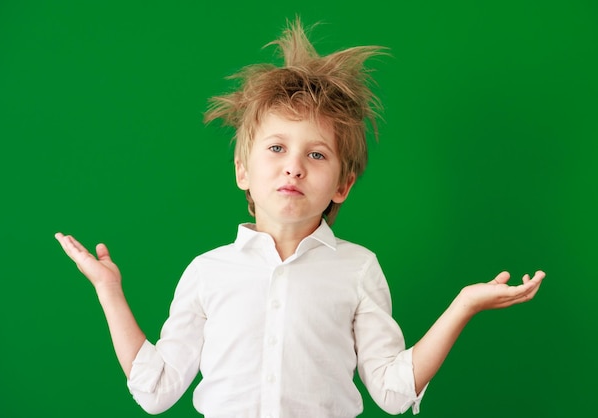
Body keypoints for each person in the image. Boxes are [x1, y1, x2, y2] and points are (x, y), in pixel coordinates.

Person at [55, 18, 545, 417]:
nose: (293, 165)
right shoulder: (208, 272)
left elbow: (393, 393)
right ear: (243, 171)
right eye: (276, 148)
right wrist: (109, 290)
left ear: (342, 184)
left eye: (316, 155)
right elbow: (156, 389)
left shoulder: (358, 270)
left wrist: (463, 305)